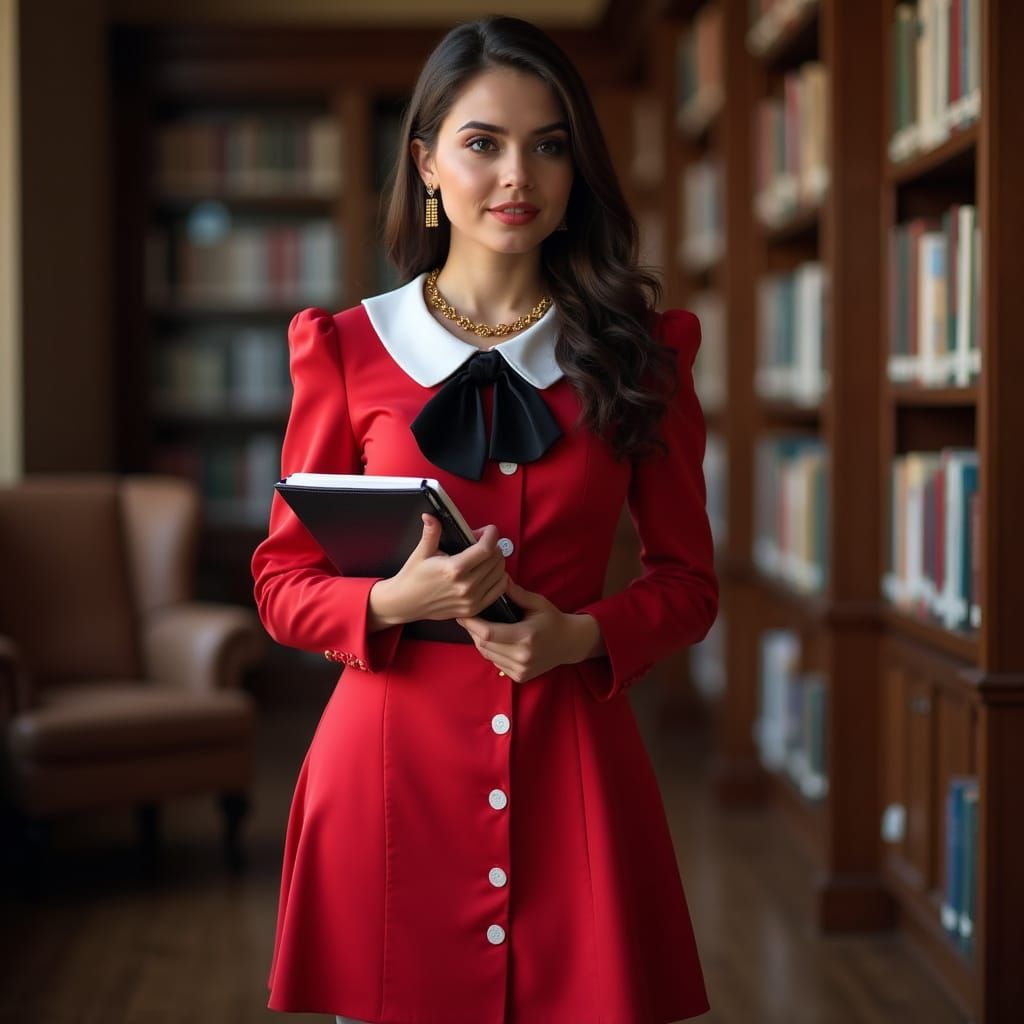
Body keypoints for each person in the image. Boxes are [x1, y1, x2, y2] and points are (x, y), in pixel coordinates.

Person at [251, 14, 718, 1024]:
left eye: (549, 144)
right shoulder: (342, 348)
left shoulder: (646, 356)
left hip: (575, 777)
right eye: (482, 143)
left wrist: (581, 634)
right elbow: (281, 587)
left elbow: (688, 584)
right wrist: (390, 598)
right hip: (383, 780)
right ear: (425, 162)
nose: (518, 175)